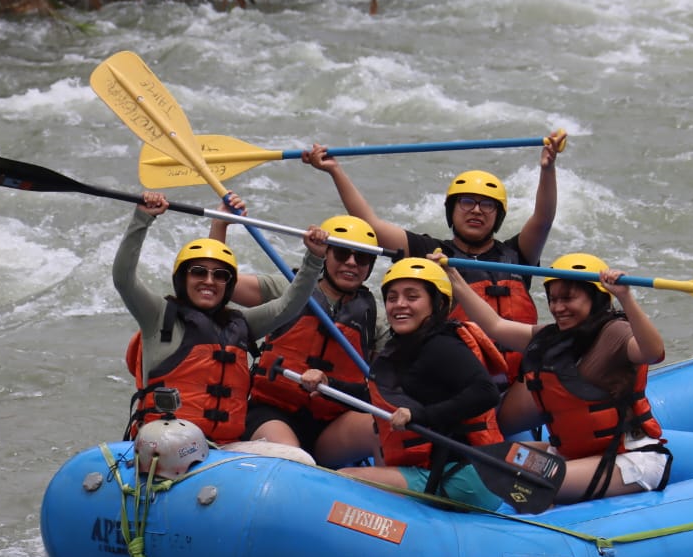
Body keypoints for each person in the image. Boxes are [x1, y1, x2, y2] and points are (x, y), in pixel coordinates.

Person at [302, 131, 567, 379]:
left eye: (487, 205)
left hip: (516, 380)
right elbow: (371, 224)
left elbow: (543, 219)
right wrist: (335, 171)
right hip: (456, 380)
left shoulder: (517, 254)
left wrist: (548, 168)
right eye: (466, 202)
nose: (476, 210)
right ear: (451, 210)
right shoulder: (429, 252)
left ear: (498, 216)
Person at [438, 251, 671, 502]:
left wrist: (625, 297)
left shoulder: (616, 333)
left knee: (526, 483)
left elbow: (653, 352)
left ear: (595, 298)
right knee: (485, 461)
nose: (558, 308)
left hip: (629, 459)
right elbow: (495, 326)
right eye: (553, 299)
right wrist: (452, 276)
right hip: (572, 455)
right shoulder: (553, 338)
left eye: (568, 299)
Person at [112, 190, 327, 444]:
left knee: (296, 457)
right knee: (178, 448)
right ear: (182, 279)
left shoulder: (241, 324)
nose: (209, 281)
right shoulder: (157, 316)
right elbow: (123, 278)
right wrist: (142, 218)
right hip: (167, 442)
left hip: (224, 450)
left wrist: (314, 258)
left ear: (228, 284)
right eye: (198, 272)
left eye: (220, 275)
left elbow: (288, 306)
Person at [298, 258, 504, 510]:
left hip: (462, 476)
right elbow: (377, 397)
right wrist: (328, 385)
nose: (399, 304)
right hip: (438, 469)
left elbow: (486, 393)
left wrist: (421, 415)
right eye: (392, 298)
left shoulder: (442, 345)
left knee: (345, 481)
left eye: (412, 296)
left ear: (438, 304)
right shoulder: (405, 346)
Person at [206, 211, 389, 467]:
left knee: (383, 427)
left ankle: (378, 488)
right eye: (341, 254)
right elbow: (219, 285)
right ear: (325, 254)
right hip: (273, 412)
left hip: (332, 425)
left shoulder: (377, 319)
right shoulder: (288, 288)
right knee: (294, 456)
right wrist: (220, 225)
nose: (351, 263)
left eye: (362, 257)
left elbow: (381, 388)